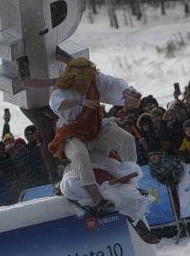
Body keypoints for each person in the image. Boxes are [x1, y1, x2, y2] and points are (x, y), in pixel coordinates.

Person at [48, 57, 140, 209]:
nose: (85, 83)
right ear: (72, 77)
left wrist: (128, 94)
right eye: (81, 80)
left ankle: (131, 183)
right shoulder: (61, 89)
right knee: (79, 154)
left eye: (88, 79)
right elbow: (56, 103)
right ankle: (94, 196)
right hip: (72, 132)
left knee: (126, 139)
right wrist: (80, 102)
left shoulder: (96, 80)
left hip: (95, 128)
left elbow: (115, 83)